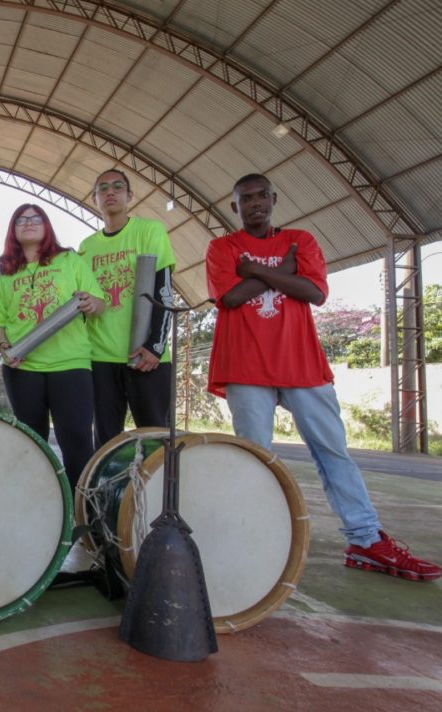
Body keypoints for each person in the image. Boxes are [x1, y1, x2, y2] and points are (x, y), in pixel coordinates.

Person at [207, 173, 440, 582]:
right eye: (246, 199)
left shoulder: (302, 240)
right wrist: (284, 272)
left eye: (262, 196)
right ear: (235, 207)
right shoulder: (221, 247)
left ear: (274, 198)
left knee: (333, 452)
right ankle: (252, 537)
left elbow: (314, 293)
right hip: (245, 366)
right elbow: (230, 297)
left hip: (302, 364)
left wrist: (255, 271)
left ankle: (365, 539)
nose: (256, 203)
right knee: (255, 458)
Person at [0, 204, 105, 491]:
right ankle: (37, 503)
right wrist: (4, 346)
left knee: (76, 439)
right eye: (21, 220)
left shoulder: (70, 261)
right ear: (13, 230)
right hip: (23, 368)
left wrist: (91, 302)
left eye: (36, 218)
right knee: (31, 442)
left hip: (70, 365)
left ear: (47, 226)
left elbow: (99, 304)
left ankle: (82, 509)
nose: (29, 223)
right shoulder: (6, 275)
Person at [79, 169, 175, 446]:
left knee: (156, 437)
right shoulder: (86, 247)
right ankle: (110, 490)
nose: (110, 192)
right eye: (103, 188)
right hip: (101, 357)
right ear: (94, 198)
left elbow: (164, 289)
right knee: (106, 440)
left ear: (129, 196)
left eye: (118, 187)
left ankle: (156, 491)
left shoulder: (149, 230)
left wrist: (155, 345)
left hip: (145, 355)